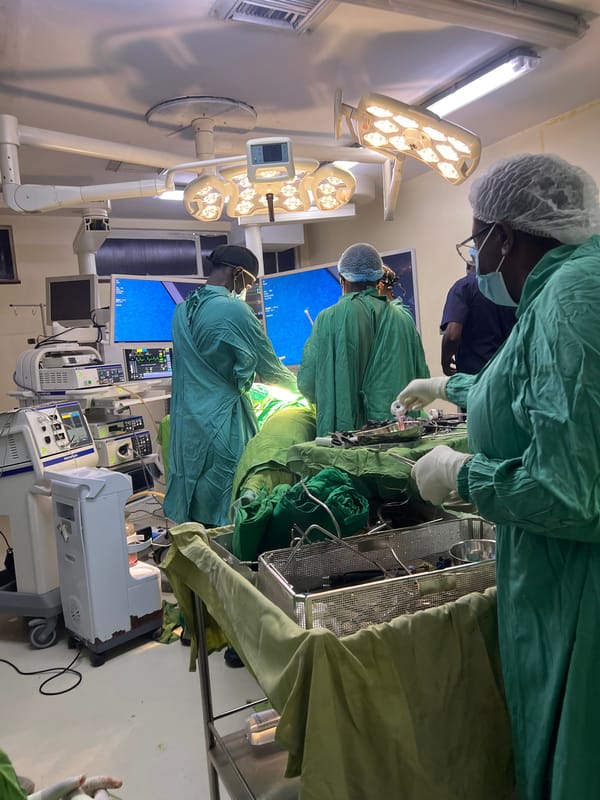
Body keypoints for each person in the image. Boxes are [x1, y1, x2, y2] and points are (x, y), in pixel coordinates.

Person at [394, 153, 600, 800]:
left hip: (578, 585)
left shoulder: (569, 298)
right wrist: (452, 384)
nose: (474, 259)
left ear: (504, 237)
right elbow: (533, 388)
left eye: (475, 239)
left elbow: (573, 493)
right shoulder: (570, 286)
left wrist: (466, 476)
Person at [164, 244, 297, 528]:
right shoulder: (234, 309)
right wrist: (309, 396)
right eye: (248, 283)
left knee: (198, 514)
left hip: (187, 427)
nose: (245, 289)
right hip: (222, 425)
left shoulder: (181, 310)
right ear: (237, 273)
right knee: (232, 508)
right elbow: (271, 368)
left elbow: (203, 368)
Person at [297, 243, 429, 437]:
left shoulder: (328, 319)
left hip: (348, 440)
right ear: (378, 278)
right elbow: (422, 380)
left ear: (342, 279)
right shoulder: (403, 320)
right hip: (398, 438)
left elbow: (308, 384)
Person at [440, 259, 516, 376]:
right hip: (507, 374)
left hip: (475, 379)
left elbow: (452, 336)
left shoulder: (463, 287)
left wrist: (445, 360)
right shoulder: (507, 287)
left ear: (469, 267)